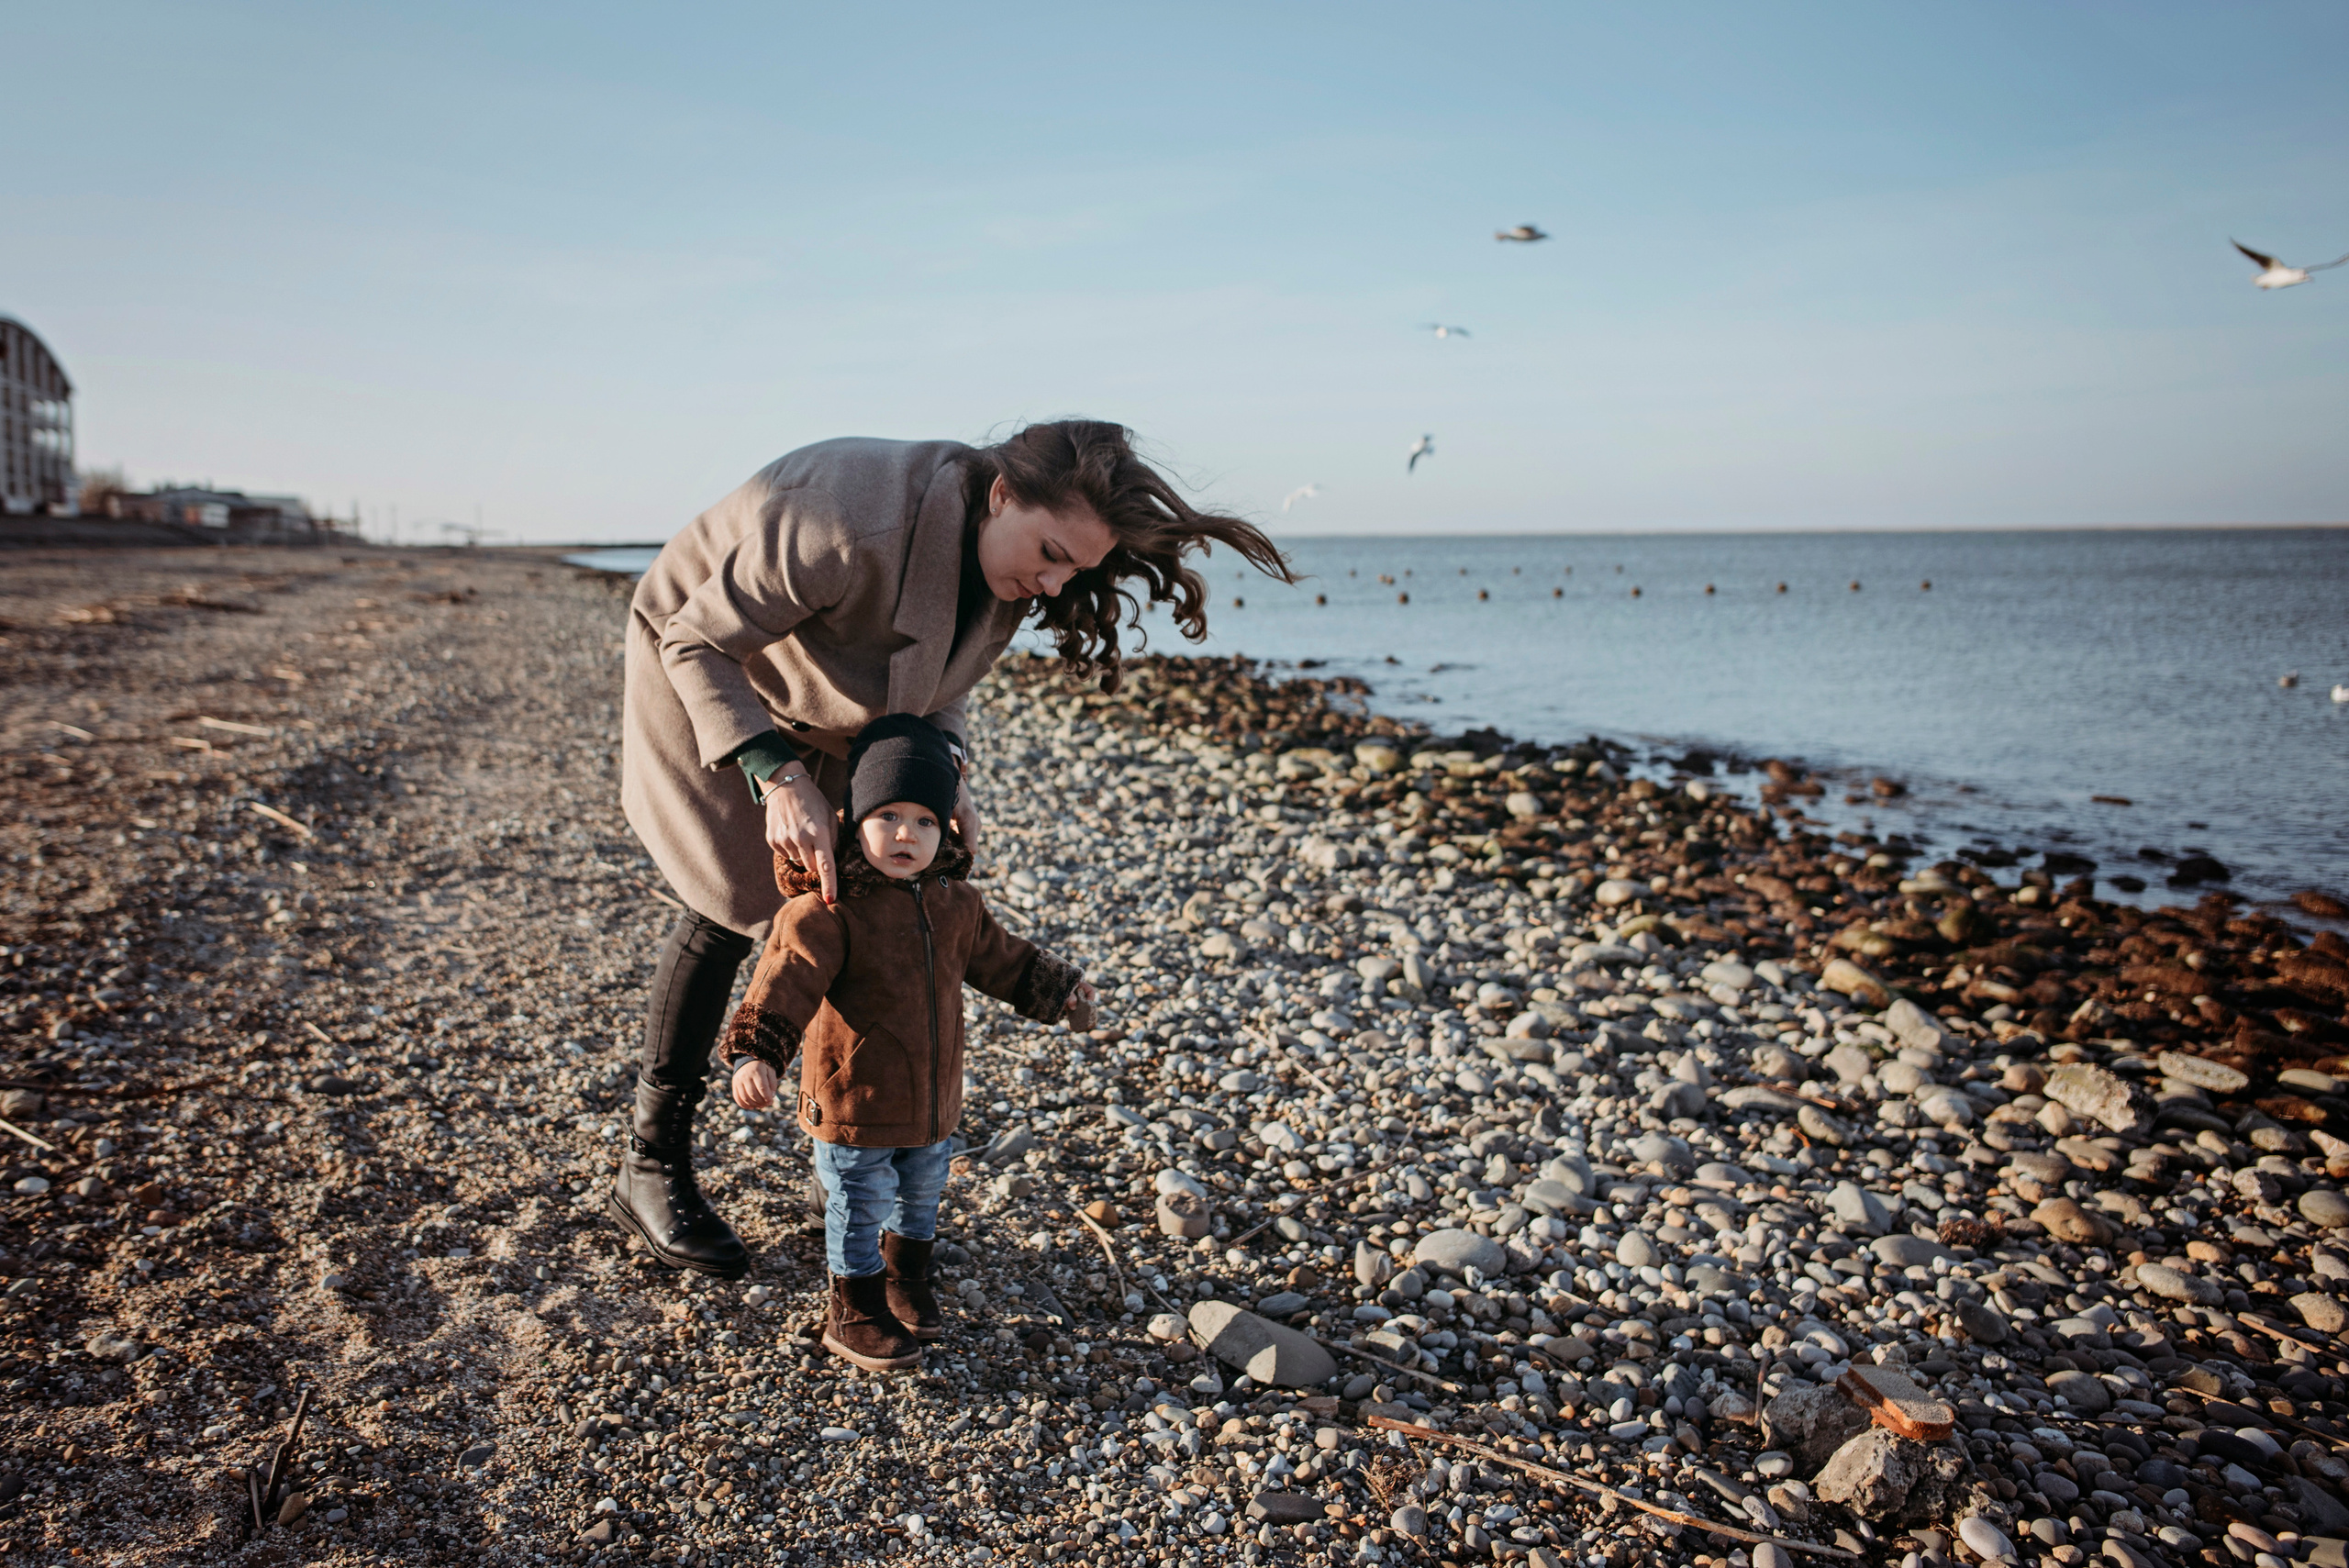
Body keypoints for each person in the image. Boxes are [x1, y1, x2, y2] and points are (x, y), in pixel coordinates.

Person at [612, 420, 1289, 1278]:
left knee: (850, 905)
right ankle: (650, 1163)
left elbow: (941, 682)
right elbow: (697, 637)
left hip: (834, 691)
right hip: (704, 660)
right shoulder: (844, 523)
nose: (1049, 583)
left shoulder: (1009, 566)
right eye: (1048, 552)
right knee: (733, 900)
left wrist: (946, 770)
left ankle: (841, 1149)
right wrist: (776, 775)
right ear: (1001, 492)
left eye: (1071, 571)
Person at [718, 715, 1096, 1371]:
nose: (905, 833)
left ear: (945, 827)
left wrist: (1057, 990)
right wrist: (758, 1054)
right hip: (854, 1104)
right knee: (859, 1203)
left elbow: (1000, 960)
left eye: (924, 820)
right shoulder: (829, 908)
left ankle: (906, 1278)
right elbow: (785, 980)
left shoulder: (956, 901)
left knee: (922, 1194)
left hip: (931, 1101)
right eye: (887, 814)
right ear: (851, 819)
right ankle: (854, 1307)